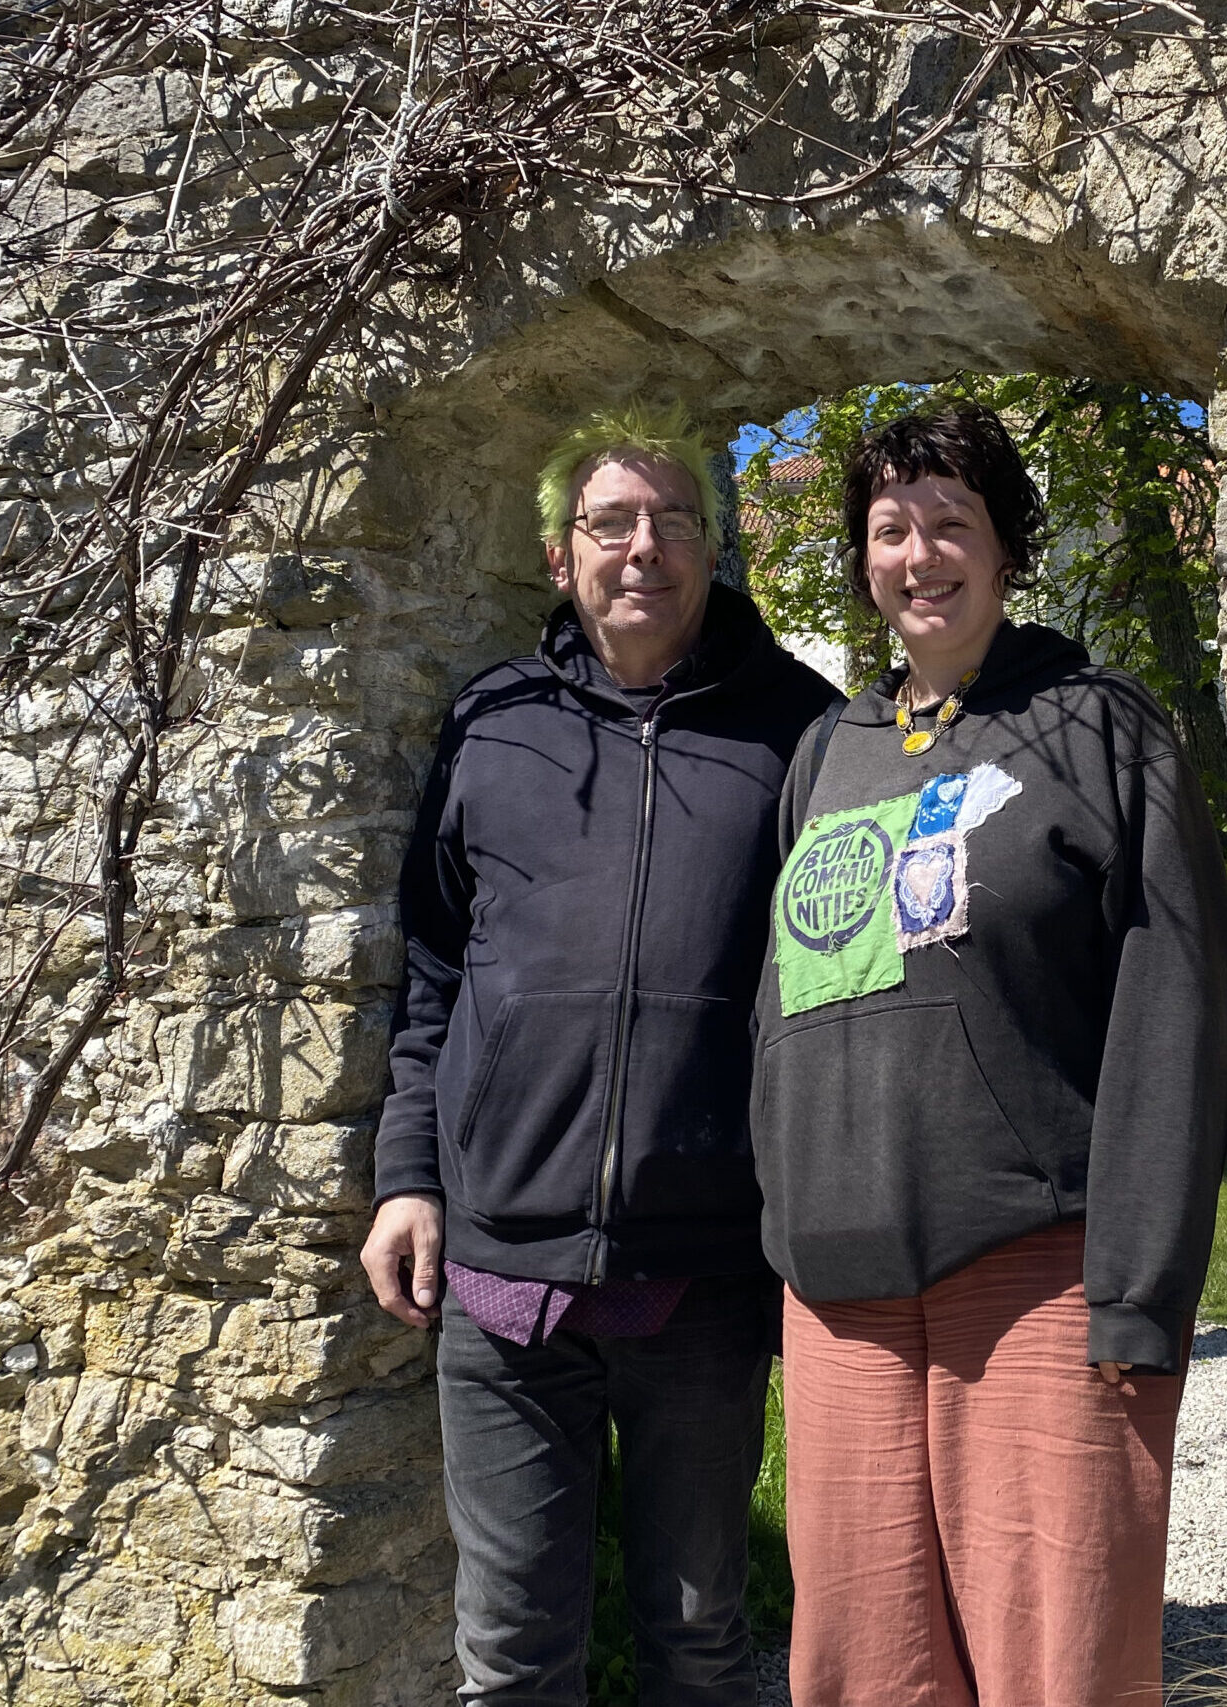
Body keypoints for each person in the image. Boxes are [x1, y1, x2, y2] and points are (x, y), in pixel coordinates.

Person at [750, 402, 1227, 1707]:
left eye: (951, 523)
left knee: (1058, 1665)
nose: (920, 555)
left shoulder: (1098, 726)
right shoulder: (827, 755)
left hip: (1039, 1271)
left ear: (1008, 546)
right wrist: (782, 1226)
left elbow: (1176, 1004)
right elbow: (781, 1011)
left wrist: (1139, 1286)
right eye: (890, 529)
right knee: (867, 1674)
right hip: (839, 1293)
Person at [362, 405, 839, 1706]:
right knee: (513, 1656)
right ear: (560, 553)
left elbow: (835, 993)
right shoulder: (493, 722)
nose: (645, 547)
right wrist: (409, 1178)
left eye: (675, 519)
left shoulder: (803, 732)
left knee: (700, 1642)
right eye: (612, 520)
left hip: (705, 1270)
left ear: (713, 547)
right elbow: (434, 973)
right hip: (501, 1274)